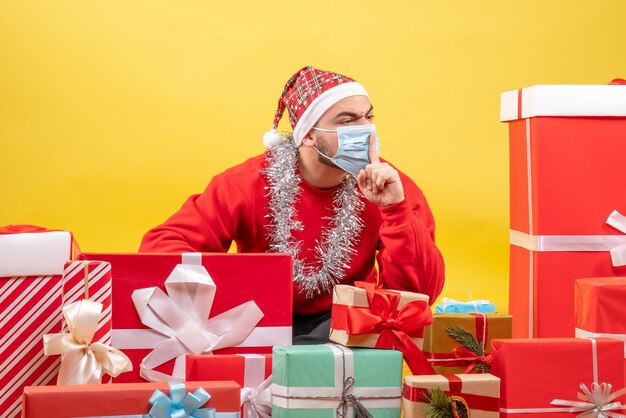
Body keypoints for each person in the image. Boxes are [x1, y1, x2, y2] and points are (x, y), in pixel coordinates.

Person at [139, 66, 445, 343]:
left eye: (368, 117)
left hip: (345, 328)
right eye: (348, 120)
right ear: (309, 135)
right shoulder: (247, 182)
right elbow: (162, 246)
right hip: (254, 322)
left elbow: (417, 296)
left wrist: (395, 210)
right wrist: (223, 301)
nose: (365, 130)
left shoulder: (390, 186)